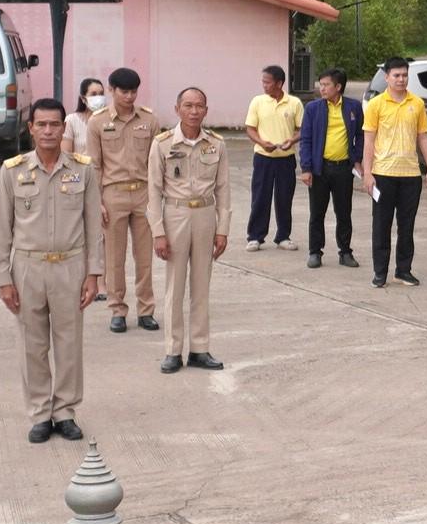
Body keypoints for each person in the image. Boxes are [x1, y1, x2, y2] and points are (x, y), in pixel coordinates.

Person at [0, 96, 103, 444]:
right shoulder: (12, 171)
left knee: (69, 344)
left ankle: (65, 411)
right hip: (27, 266)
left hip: (70, 266)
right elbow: (2, 229)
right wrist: (3, 279)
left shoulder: (82, 169)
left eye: (54, 124)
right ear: (31, 128)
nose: (48, 130)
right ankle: (41, 412)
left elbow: (93, 226)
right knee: (32, 343)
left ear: (63, 127)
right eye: (40, 124)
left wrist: (93, 273)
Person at [151, 87, 232, 374]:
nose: (194, 111)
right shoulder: (162, 144)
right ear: (177, 109)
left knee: (201, 285)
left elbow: (223, 189)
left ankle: (199, 348)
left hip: (205, 215)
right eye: (188, 106)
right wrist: (158, 232)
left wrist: (222, 229)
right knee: (175, 286)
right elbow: (154, 192)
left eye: (199, 106)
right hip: (175, 214)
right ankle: (173, 350)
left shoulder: (216, 144)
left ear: (206, 110)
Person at [89, 68, 165, 334]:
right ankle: (117, 309)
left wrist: (158, 199)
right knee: (114, 257)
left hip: (144, 193)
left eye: (133, 91)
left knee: (145, 256)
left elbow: (157, 163)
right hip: (113, 194)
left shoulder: (149, 120)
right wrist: (96, 201)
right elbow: (94, 166)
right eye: (124, 91)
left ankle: (146, 310)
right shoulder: (97, 122)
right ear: (112, 90)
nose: (129, 97)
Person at [362, 56, 427, 289]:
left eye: (404, 75)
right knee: (381, 225)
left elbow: (423, 136)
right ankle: (379, 272)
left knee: (407, 226)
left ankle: (403, 271)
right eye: (396, 75)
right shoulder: (376, 105)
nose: (401, 80)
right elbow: (369, 140)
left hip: (411, 175)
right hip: (383, 174)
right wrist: (367, 172)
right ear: (387, 77)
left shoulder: (418, 104)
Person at [298, 69, 362, 269]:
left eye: (326, 85)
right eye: (321, 84)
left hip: (343, 169)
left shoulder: (353, 107)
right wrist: (306, 168)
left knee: (344, 213)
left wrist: (357, 159)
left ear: (338, 87)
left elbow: (361, 135)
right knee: (317, 213)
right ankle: (315, 252)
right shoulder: (313, 108)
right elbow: (305, 139)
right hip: (320, 169)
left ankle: (345, 252)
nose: (321, 88)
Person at [243, 64, 302, 251]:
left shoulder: (294, 103)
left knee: (284, 197)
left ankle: (283, 236)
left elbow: (301, 129)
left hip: (286, 158)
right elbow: (250, 128)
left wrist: (291, 141)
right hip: (263, 157)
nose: (264, 85)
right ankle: (255, 237)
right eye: (263, 81)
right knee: (260, 196)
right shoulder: (257, 102)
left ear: (279, 83)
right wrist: (261, 143)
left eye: (267, 82)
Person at [68, 77, 109, 161]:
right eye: (93, 94)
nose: (98, 98)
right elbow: (66, 155)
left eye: (101, 94)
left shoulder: (109, 121)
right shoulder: (71, 120)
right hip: (80, 172)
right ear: (83, 99)